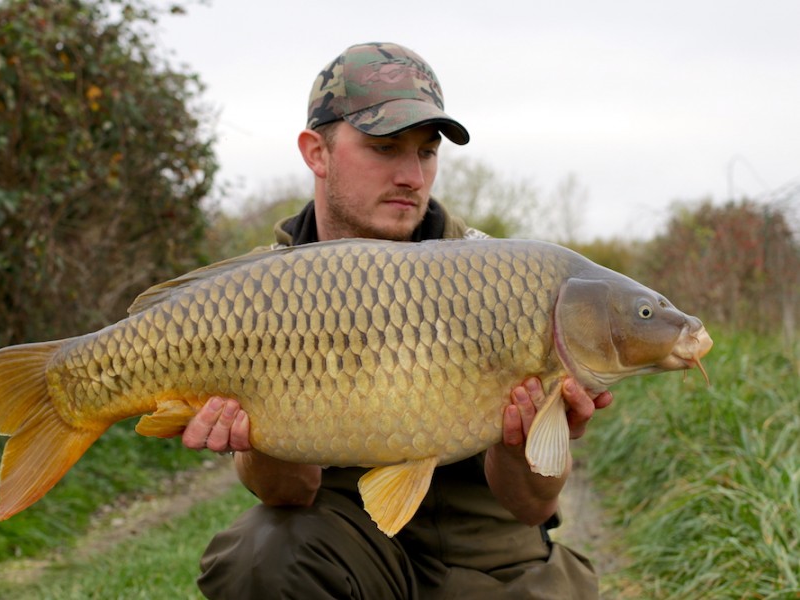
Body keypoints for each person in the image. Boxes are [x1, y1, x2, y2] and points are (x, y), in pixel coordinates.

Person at [182, 42, 613, 599]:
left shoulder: (504, 279)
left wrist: (520, 439)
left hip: (493, 562)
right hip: (347, 545)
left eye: (427, 152)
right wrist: (255, 438)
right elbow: (287, 495)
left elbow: (532, 504)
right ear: (317, 152)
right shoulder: (261, 295)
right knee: (261, 553)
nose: (412, 175)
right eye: (384, 148)